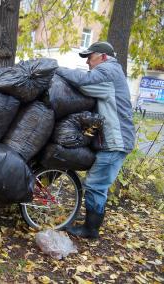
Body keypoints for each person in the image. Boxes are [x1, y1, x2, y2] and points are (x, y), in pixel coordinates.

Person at [55, 41, 135, 239]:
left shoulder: (109, 72)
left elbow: (83, 81)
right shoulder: (111, 71)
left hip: (116, 142)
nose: (88, 63)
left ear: (103, 57)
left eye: (90, 57)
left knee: (96, 185)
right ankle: (91, 227)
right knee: (97, 184)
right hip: (114, 140)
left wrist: (57, 69)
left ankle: (91, 230)